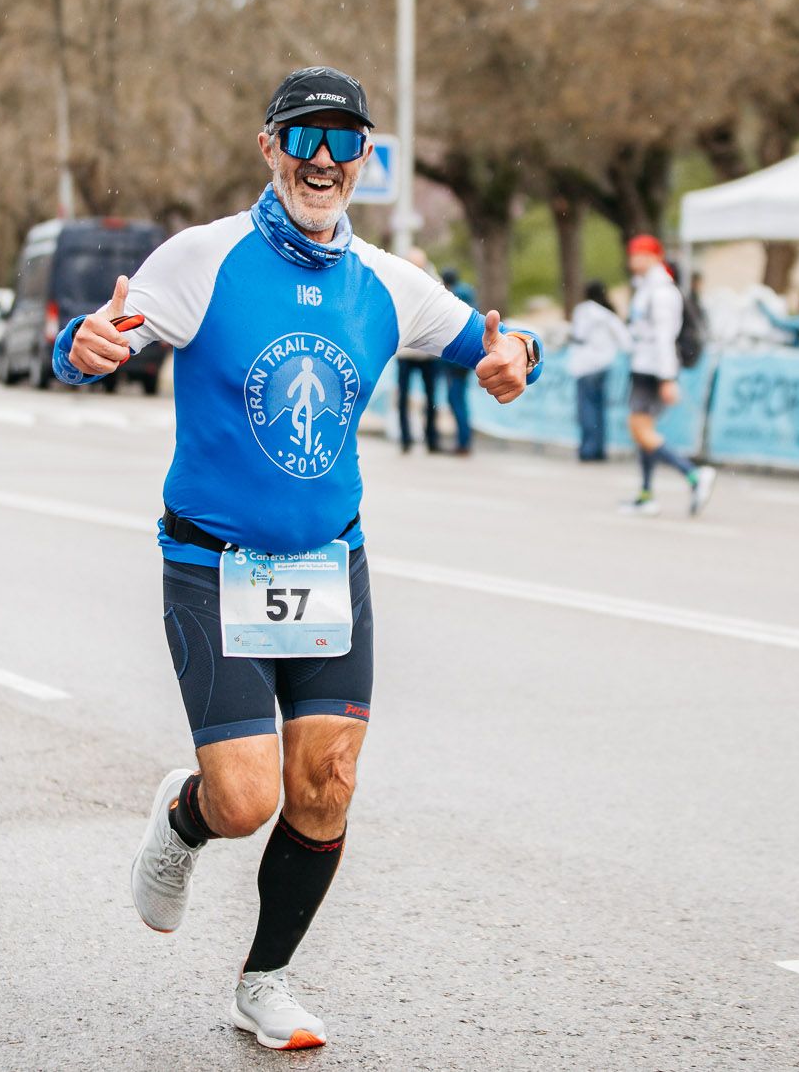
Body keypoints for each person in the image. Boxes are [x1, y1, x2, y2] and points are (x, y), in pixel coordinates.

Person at [56, 66, 539, 1052]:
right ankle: (185, 817)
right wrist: (85, 343)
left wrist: (519, 350)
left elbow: (494, 338)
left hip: (327, 564)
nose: (322, 161)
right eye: (303, 139)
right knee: (246, 799)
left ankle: (263, 978)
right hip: (211, 561)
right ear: (268, 148)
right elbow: (93, 339)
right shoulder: (204, 259)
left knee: (324, 782)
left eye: (343, 142)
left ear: (365, 157)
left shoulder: (388, 284)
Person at [622, 235, 716, 516]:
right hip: (643, 365)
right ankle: (647, 493)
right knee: (643, 431)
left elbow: (665, 337)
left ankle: (693, 475)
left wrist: (666, 378)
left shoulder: (662, 291)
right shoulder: (646, 287)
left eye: (639, 254)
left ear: (654, 256)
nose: (633, 260)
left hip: (654, 369)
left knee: (640, 429)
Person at [567, 279, 630, 462]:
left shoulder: (583, 311)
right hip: (603, 365)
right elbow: (625, 341)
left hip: (584, 366)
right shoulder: (608, 314)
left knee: (586, 409)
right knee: (600, 409)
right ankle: (599, 448)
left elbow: (578, 335)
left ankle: (587, 449)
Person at [393, 247, 442, 453]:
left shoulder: (434, 283)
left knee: (431, 398)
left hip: (428, 353)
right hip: (405, 352)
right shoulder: (398, 282)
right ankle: (405, 439)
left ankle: (431, 438)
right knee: (403, 397)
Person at [439, 267, 477, 453]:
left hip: (454, 363)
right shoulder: (468, 297)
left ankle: (464, 441)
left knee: (456, 400)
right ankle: (464, 439)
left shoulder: (452, 298)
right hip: (466, 360)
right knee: (460, 400)